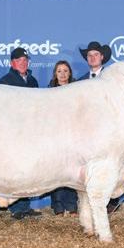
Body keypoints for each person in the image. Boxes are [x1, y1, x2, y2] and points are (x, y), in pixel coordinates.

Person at [0, 47, 42, 220]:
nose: (23, 63)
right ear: (12, 63)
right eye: (19, 60)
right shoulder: (5, 81)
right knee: (14, 169)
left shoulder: (32, 81)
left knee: (27, 169)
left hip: (30, 132)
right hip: (13, 132)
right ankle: (16, 207)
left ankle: (24, 206)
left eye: (25, 60)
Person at [77, 41, 121, 213]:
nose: (93, 58)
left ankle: (111, 200)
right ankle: (91, 200)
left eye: (96, 54)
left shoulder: (112, 80)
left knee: (110, 164)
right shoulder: (80, 82)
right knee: (90, 166)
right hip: (87, 131)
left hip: (109, 130)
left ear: (102, 57)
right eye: (90, 55)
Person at [48, 60, 78, 215]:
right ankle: (58, 205)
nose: (63, 74)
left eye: (65, 71)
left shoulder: (77, 90)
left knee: (72, 169)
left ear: (70, 73)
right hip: (55, 135)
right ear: (55, 74)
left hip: (73, 134)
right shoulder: (48, 92)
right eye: (59, 71)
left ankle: (71, 204)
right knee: (57, 169)